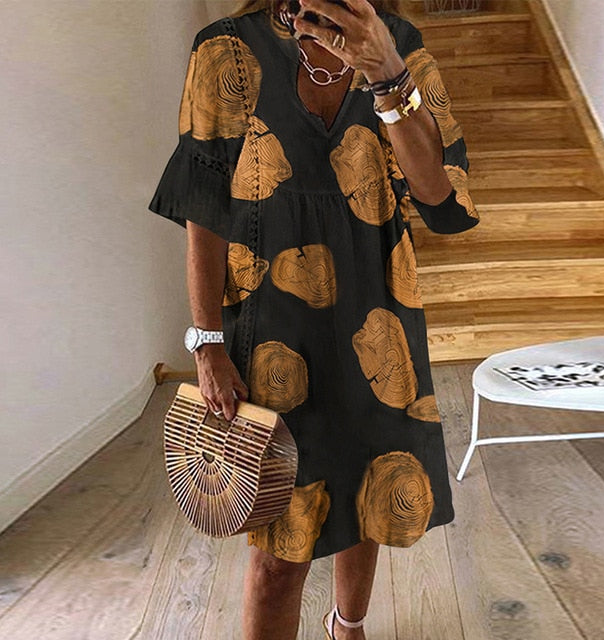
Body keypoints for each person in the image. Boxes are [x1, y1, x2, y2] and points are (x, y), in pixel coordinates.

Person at [148, 1, 480, 638]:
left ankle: (347, 626)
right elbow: (203, 204)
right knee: (278, 545)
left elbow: (439, 197)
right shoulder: (227, 49)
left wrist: (386, 74)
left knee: (372, 492)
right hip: (268, 321)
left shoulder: (398, 43)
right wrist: (207, 340)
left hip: (379, 309)